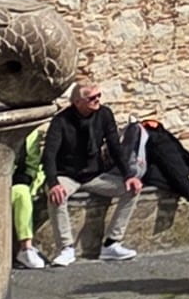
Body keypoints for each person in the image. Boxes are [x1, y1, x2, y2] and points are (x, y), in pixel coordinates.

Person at [40, 79, 143, 263]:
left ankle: (112, 243)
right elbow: (49, 154)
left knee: (132, 189)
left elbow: (114, 147)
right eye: (92, 98)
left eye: (98, 96)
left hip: (95, 174)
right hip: (68, 174)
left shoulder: (104, 114)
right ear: (78, 102)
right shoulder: (61, 121)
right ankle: (66, 248)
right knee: (56, 195)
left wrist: (128, 175)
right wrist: (54, 182)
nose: (97, 100)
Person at [12, 122, 51, 270]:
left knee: (22, 193)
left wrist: (30, 179)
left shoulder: (31, 135)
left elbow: (32, 164)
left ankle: (26, 248)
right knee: (21, 193)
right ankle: (25, 248)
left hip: (18, 184)